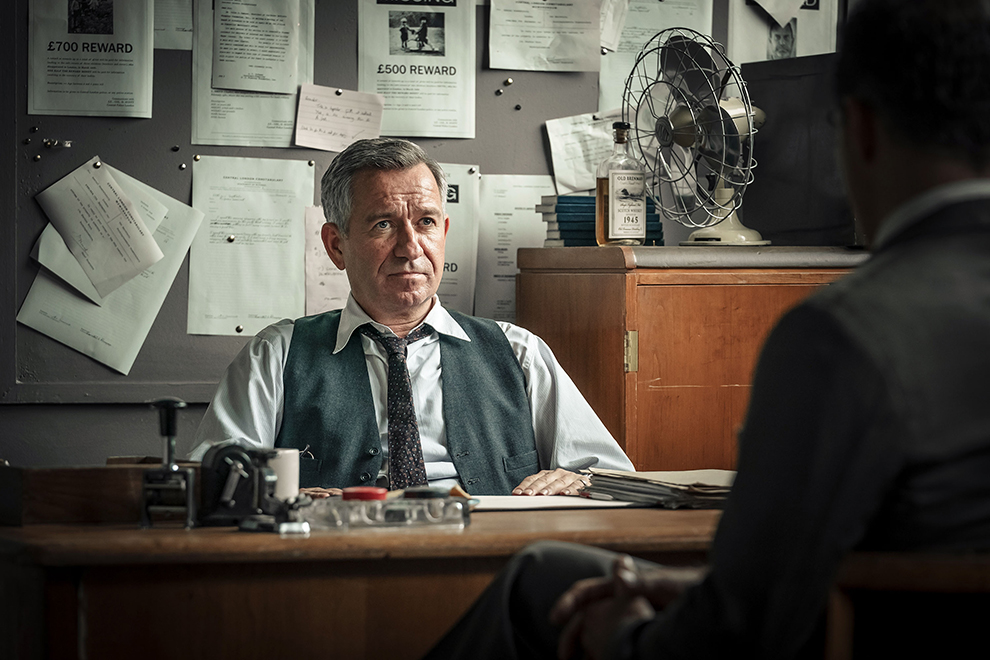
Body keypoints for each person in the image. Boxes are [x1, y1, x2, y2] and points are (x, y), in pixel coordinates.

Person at [423, 0, 990, 657]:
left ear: (859, 128)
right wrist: (697, 588)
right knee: (549, 570)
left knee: (544, 587)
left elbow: (742, 627)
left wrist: (627, 637)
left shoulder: (842, 332)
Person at [190, 137, 633, 497]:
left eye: (425, 222)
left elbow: (613, 477)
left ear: (443, 232)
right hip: (336, 563)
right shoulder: (276, 355)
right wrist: (278, 494)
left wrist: (581, 481)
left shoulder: (519, 353)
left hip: (489, 558)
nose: (409, 247)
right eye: (383, 224)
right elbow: (216, 483)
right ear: (336, 245)